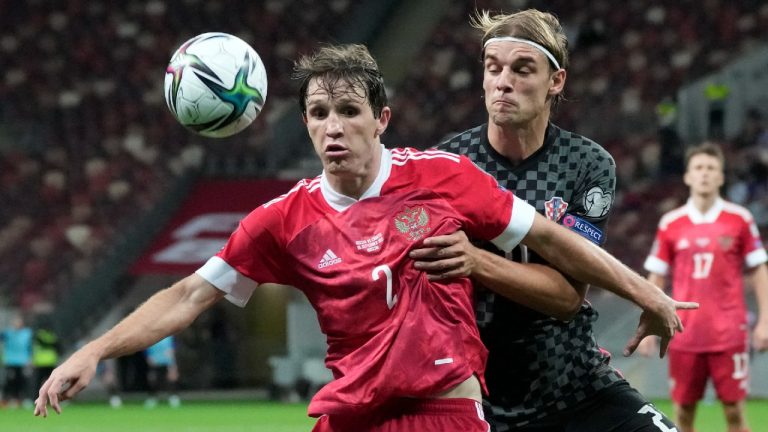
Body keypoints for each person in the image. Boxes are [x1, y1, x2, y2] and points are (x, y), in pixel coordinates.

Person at [35, 43, 693, 431]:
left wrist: (647, 294)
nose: (333, 127)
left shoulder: (444, 178)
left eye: (348, 111)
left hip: (446, 414)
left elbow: (553, 240)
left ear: (380, 119)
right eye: (319, 113)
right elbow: (188, 295)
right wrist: (93, 351)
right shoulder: (283, 219)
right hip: (347, 419)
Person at [411, 9, 681, 431]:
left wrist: (477, 261)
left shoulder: (587, 164)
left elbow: (566, 296)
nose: (503, 81)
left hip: (575, 384)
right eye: (493, 67)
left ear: (556, 81)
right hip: (480, 398)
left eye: (522, 69)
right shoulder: (448, 163)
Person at [640, 142, 768, 432]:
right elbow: (656, 278)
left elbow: (760, 271)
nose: (705, 174)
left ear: (721, 177)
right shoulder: (671, 223)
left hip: (730, 333)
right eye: (699, 168)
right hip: (684, 334)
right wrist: (649, 324)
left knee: (735, 412)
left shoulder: (740, 219)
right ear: (687, 176)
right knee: (683, 414)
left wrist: (765, 321)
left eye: (712, 168)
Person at [1, 315, 33, 408]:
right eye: (15, 322)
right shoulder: (8, 333)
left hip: (23, 361)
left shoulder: (27, 333)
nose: (17, 324)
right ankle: (11, 399)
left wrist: (30, 358)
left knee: (23, 381)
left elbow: (30, 347)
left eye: (18, 322)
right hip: (10, 361)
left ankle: (23, 400)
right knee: (10, 381)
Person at [143, 335, 180, 408]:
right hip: (155, 361)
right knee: (153, 379)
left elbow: (174, 347)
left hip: (167, 361)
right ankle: (152, 398)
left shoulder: (170, 336)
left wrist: (173, 361)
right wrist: (148, 356)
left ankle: (173, 397)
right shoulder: (151, 336)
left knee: (171, 379)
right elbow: (146, 348)